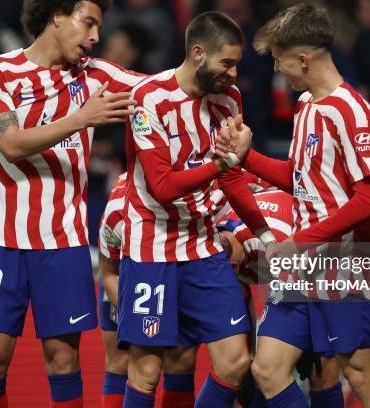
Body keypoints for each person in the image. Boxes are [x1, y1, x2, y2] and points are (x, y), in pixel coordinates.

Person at [0, 1, 145, 406]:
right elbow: (10, 145)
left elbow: (165, 87)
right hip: (2, 240)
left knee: (63, 363)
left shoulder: (96, 75)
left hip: (63, 243)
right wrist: (81, 119)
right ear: (57, 15)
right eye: (89, 23)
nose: (96, 36)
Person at [217, 4, 370, 408]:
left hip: (345, 269)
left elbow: (369, 200)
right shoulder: (305, 108)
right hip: (303, 271)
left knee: (362, 379)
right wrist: (247, 156)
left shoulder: (351, 111)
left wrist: (299, 241)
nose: (277, 71)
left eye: (279, 61)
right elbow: (300, 179)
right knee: (267, 370)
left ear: (303, 59)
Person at [119, 11, 277, 408]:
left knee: (236, 361)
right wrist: (222, 163)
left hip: (204, 245)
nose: (234, 74)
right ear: (197, 53)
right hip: (151, 247)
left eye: (237, 64)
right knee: (147, 371)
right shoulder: (148, 99)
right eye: (226, 63)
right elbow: (162, 186)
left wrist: (265, 234)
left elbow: (231, 179)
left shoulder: (229, 100)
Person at [218, 188, 345, 408]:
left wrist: (313, 342)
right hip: (297, 262)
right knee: (263, 370)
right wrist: (246, 357)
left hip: (326, 261)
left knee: (323, 372)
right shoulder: (216, 245)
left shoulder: (264, 240)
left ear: (234, 265)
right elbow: (240, 301)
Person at [97, 173, 198, 408]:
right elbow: (108, 270)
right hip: (125, 266)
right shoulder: (118, 212)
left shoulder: (198, 199)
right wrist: (131, 320)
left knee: (180, 358)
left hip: (178, 260)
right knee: (121, 359)